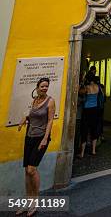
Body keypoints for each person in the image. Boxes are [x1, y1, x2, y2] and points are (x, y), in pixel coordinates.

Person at [17, 77, 55, 217]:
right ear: (37, 87)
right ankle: (27, 202)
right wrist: (24, 119)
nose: (45, 88)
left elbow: (50, 121)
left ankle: (35, 202)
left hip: (41, 139)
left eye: (46, 86)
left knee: (32, 169)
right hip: (29, 137)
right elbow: (31, 116)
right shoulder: (34, 100)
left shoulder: (50, 101)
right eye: (42, 86)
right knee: (26, 170)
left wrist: (45, 138)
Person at [79, 73, 102, 157]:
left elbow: (79, 92)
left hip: (87, 110)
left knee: (84, 130)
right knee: (94, 129)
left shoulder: (87, 87)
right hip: (95, 110)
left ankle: (82, 153)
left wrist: (81, 83)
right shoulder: (97, 87)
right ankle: (93, 150)